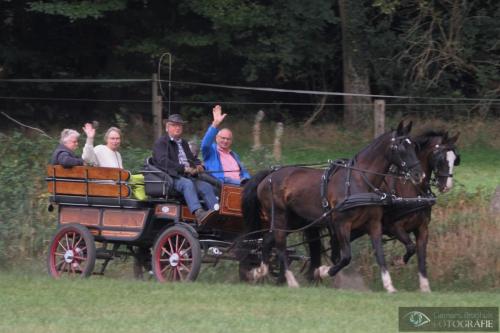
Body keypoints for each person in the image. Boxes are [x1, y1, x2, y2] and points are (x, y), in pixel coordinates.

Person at [152, 114, 219, 224]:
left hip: (187, 176)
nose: (177, 128)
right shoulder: (161, 143)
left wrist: (198, 165)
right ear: (167, 127)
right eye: (174, 125)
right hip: (171, 177)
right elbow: (163, 162)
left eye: (180, 125)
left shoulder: (184, 143)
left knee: (206, 186)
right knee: (187, 184)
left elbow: (192, 159)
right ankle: (199, 213)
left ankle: (216, 212)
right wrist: (184, 169)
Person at [201, 105, 250, 185]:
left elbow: (244, 171)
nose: (225, 141)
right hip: (223, 183)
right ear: (216, 138)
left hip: (240, 184)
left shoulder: (234, 155)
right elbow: (205, 145)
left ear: (231, 141)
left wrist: (248, 180)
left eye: (228, 139)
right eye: (223, 138)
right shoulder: (211, 151)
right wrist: (215, 124)